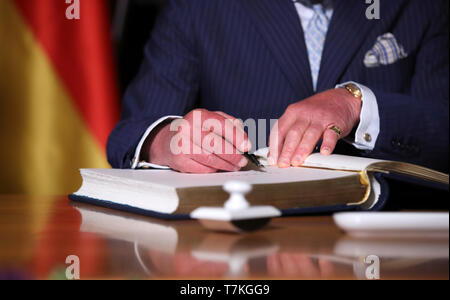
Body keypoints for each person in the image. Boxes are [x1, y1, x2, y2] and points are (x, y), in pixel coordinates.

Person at [107, 0, 448, 176]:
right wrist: (166, 141)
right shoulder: (197, 8)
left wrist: (358, 104)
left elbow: (442, 129)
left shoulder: (423, 6)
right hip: (236, 241)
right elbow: (130, 134)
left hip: (384, 240)